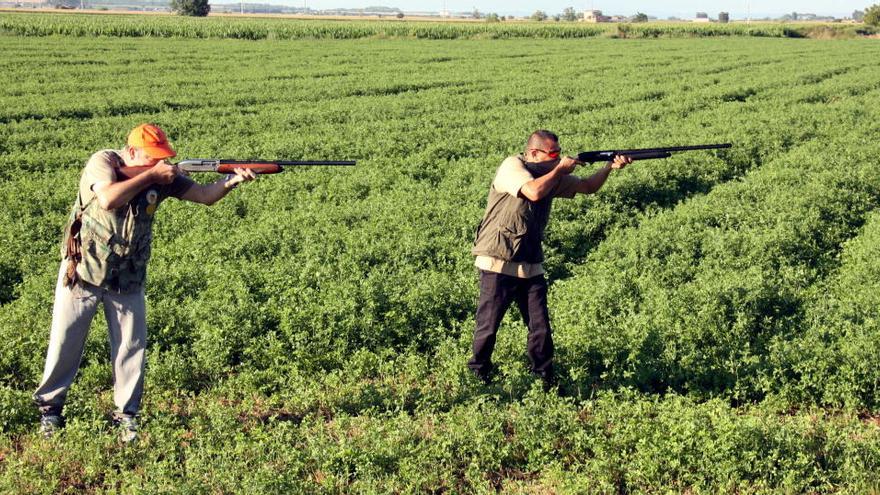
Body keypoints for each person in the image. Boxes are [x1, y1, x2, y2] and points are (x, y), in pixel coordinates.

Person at [34, 123, 256, 441]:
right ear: (132, 152)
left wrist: (231, 181)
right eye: (151, 157)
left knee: (131, 347)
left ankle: (126, 415)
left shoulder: (163, 176)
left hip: (128, 274)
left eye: (161, 157)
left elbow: (205, 196)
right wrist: (151, 175)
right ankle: (50, 410)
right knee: (65, 342)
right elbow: (108, 198)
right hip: (84, 269)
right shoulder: (104, 162)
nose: (159, 163)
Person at [468, 130, 631, 390]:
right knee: (488, 324)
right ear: (534, 153)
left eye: (559, 153)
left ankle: (544, 376)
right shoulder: (512, 166)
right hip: (498, 258)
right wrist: (560, 170)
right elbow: (532, 192)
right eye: (552, 153)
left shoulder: (551, 175)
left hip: (530, 260)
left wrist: (609, 167)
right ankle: (478, 374)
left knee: (540, 326)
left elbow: (587, 187)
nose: (557, 157)